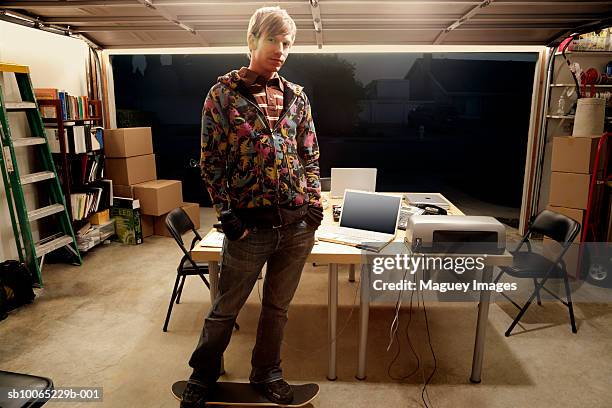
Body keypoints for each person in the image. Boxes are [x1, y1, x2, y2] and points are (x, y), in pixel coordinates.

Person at [181, 6, 323, 408]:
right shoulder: (222, 95)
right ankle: (203, 375)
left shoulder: (296, 97)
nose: (281, 49)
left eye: (288, 43)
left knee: (277, 309)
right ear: (252, 41)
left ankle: (267, 373)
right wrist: (226, 214)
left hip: (297, 228)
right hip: (248, 228)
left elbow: (309, 155)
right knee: (224, 309)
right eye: (274, 40)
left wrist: (312, 204)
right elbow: (209, 162)